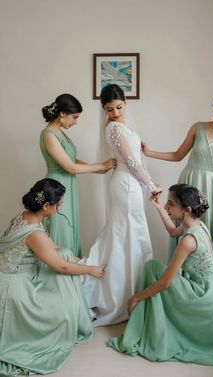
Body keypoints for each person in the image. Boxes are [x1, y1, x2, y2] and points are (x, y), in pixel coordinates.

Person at [109, 184, 213, 365]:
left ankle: (151, 328)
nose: (167, 207)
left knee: (152, 269)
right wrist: (158, 206)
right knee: (154, 268)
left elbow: (164, 284)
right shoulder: (198, 225)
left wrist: (135, 298)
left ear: (186, 210)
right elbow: (172, 231)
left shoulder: (188, 241)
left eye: (170, 204)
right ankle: (150, 320)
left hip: (207, 299)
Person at [0, 178, 105, 376]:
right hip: (14, 287)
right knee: (61, 312)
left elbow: (52, 248)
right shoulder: (35, 233)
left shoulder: (24, 216)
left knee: (64, 251)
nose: (60, 208)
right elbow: (62, 267)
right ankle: (72, 311)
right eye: (59, 204)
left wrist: (75, 258)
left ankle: (74, 307)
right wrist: (91, 270)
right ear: (47, 205)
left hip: (5, 277)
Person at [81, 84, 162, 326]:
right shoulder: (115, 128)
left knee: (125, 235)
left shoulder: (123, 127)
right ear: (104, 110)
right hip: (127, 185)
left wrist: (142, 147)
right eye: (109, 109)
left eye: (119, 107)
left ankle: (132, 290)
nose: (115, 113)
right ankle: (118, 294)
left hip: (129, 184)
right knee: (126, 235)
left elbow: (134, 155)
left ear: (125, 103)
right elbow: (131, 162)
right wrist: (151, 185)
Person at [142, 90, 213, 284]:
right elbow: (177, 155)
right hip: (190, 183)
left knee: (211, 232)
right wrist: (149, 153)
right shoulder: (198, 128)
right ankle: (180, 283)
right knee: (185, 230)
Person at [40, 93, 116, 257]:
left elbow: (73, 160)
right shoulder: (49, 135)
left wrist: (98, 169)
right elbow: (70, 167)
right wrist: (101, 165)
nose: (75, 122)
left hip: (68, 186)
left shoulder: (60, 133)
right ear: (62, 114)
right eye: (74, 117)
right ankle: (60, 271)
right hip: (56, 186)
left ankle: (70, 271)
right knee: (61, 228)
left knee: (70, 227)